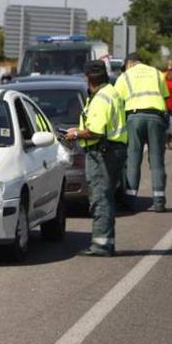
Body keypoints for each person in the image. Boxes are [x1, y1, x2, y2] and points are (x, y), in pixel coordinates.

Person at [65, 60, 128, 257]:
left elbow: (95, 131)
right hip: (111, 150)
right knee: (105, 197)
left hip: (103, 152)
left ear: (87, 78)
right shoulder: (111, 92)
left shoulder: (101, 98)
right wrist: (78, 130)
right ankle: (106, 242)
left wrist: (75, 135)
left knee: (100, 198)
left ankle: (101, 245)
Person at [114, 52, 170, 213]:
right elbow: (165, 96)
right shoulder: (157, 73)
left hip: (134, 118)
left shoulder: (125, 76)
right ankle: (159, 200)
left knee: (133, 158)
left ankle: (130, 201)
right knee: (157, 160)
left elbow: (117, 101)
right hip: (156, 117)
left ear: (129, 64)